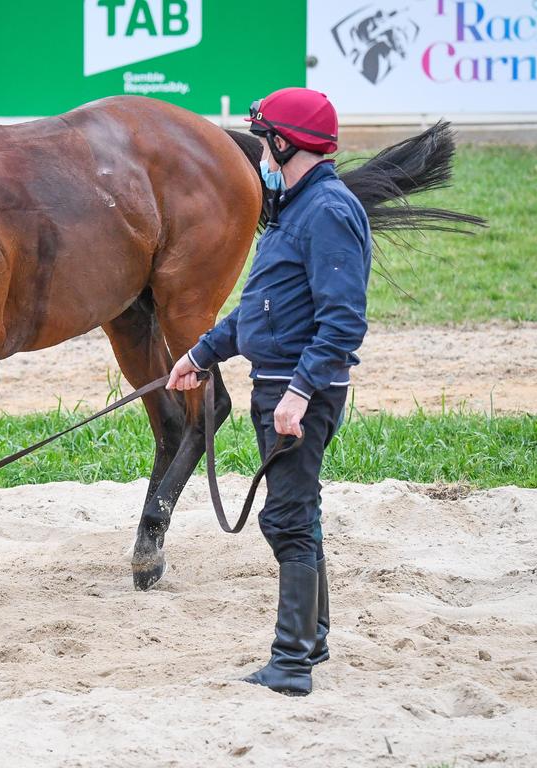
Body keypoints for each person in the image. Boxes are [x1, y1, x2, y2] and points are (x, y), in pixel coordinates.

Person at [166, 87, 371, 696]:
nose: (260, 151)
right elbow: (260, 307)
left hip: (295, 393)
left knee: (286, 517)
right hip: (278, 384)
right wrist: (201, 355)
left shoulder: (328, 211)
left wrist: (302, 392)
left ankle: (290, 664)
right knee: (296, 511)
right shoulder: (291, 210)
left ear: (284, 142)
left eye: (263, 141)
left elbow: (343, 321)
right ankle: (315, 636)